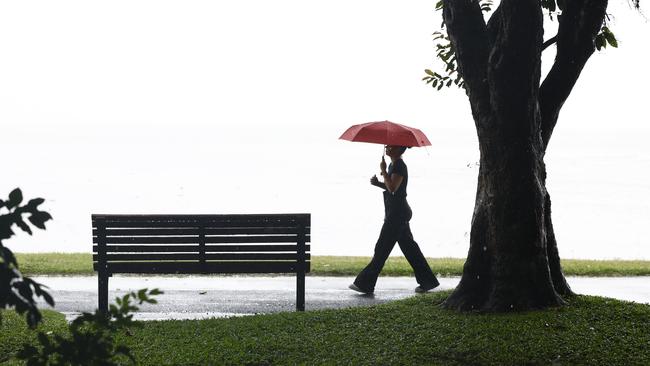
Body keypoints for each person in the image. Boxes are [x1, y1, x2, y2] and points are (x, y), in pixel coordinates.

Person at [349, 145, 439, 294]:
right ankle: (427, 281)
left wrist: (383, 171)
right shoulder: (394, 164)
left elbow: (392, 188)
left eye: (391, 146)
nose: (388, 148)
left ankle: (365, 283)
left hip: (397, 214)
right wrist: (378, 182)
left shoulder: (399, 166)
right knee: (410, 250)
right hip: (396, 213)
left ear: (398, 150)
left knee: (382, 248)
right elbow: (392, 187)